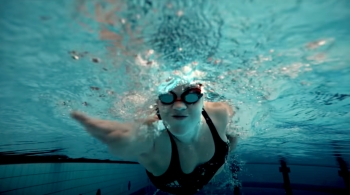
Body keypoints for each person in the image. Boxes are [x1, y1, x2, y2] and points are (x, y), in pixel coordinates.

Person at [71, 80, 238, 194]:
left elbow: (237, 129)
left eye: (191, 95)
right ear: (158, 103)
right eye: (166, 96)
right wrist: (125, 139)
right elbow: (139, 137)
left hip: (214, 168)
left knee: (229, 144)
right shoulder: (154, 134)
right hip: (173, 185)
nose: (179, 106)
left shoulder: (220, 112)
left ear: (203, 99)